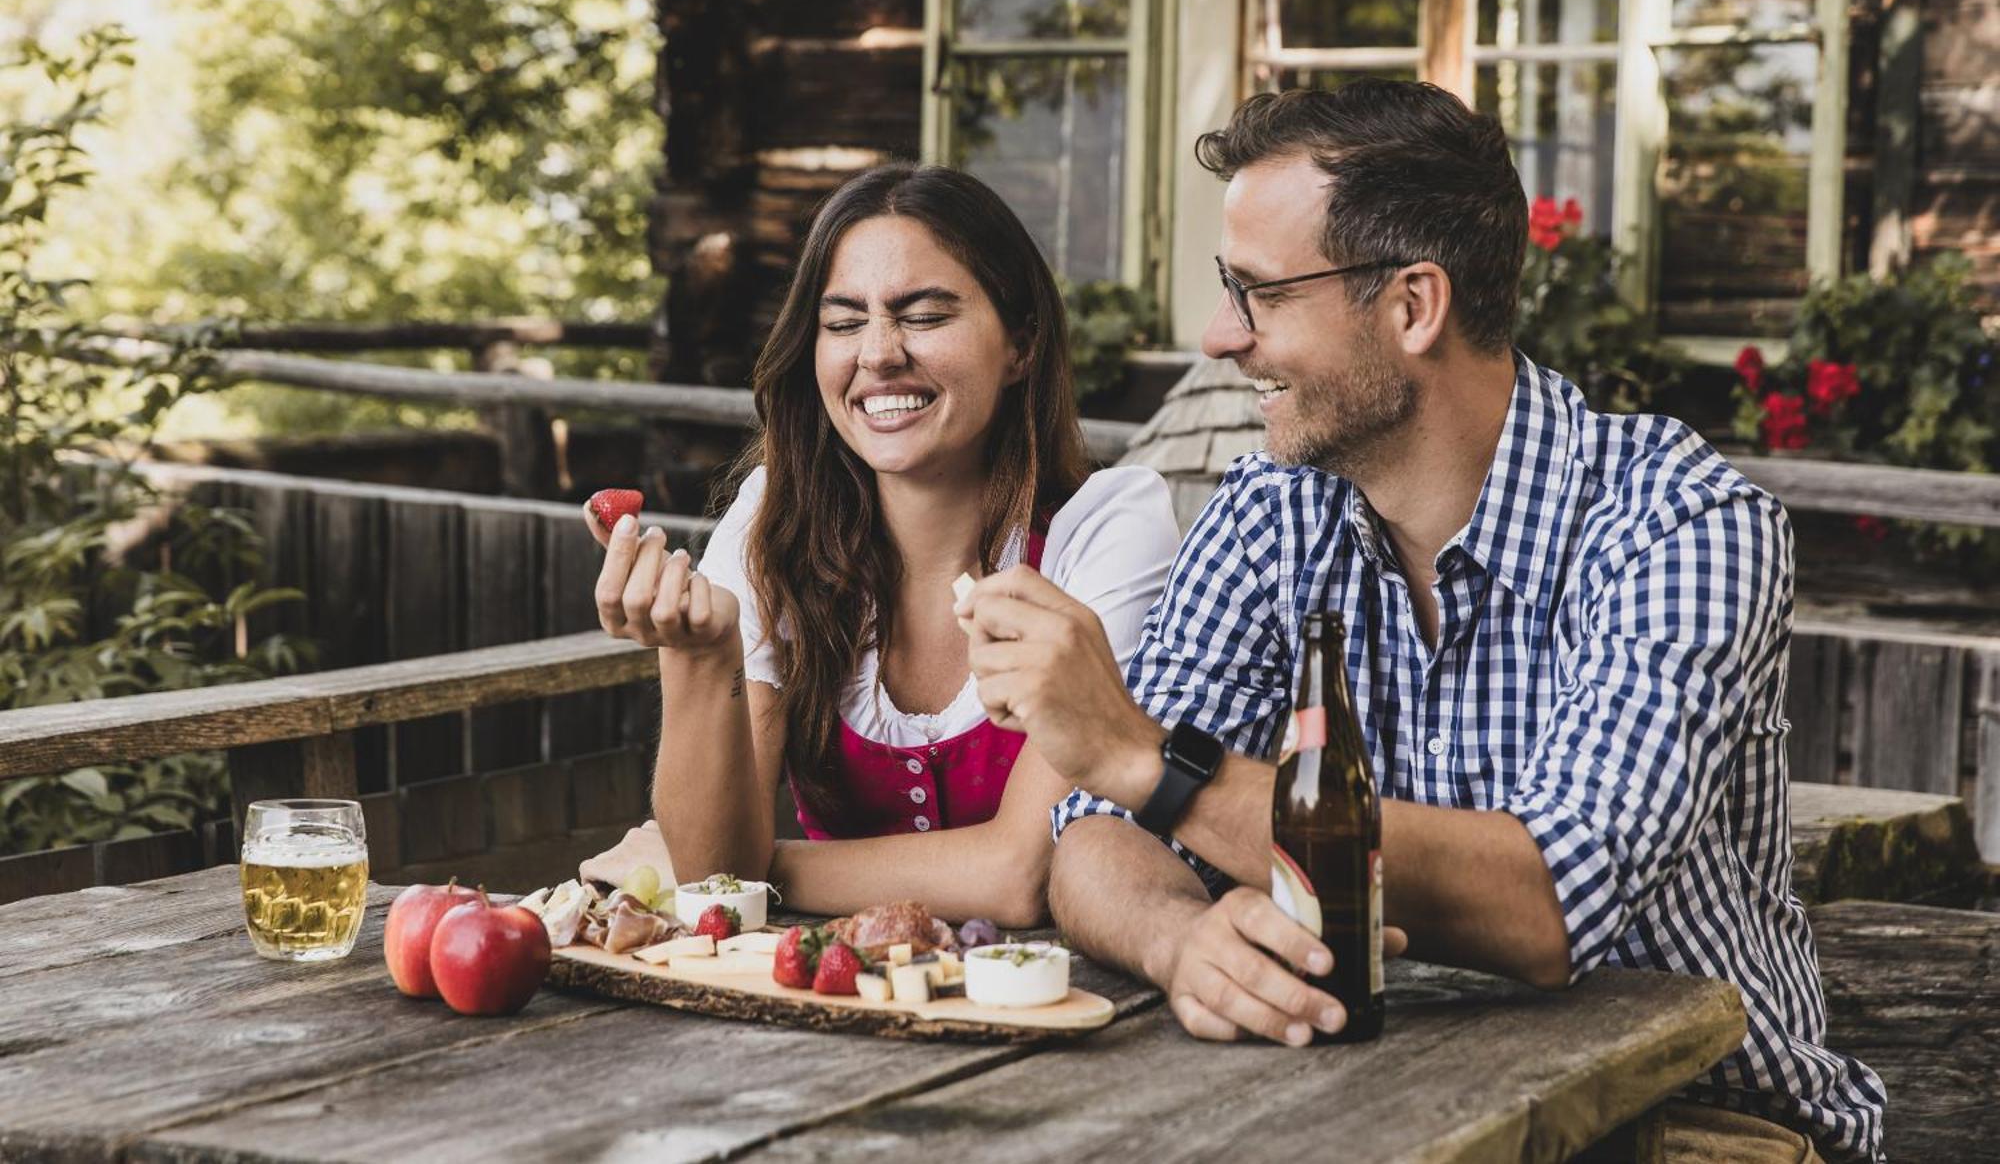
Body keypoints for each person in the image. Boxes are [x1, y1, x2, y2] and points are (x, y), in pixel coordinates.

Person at [954, 83, 1885, 1160]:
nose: (1220, 337)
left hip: (1689, 1123)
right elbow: (1093, 834)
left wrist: (1141, 756)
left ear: (1411, 305)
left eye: (1256, 292)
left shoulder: (1679, 524)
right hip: (1370, 1108)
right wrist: (1178, 938)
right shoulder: (1267, 513)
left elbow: (1545, 903)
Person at [585, 162, 1178, 927]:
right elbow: (714, 874)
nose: (878, 353)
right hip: (829, 1007)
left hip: (1065, 1012)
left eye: (924, 315)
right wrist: (701, 654)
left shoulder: (1106, 528)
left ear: (1021, 345)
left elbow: (1021, 872)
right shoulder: (774, 515)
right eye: (842, 322)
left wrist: (766, 866)